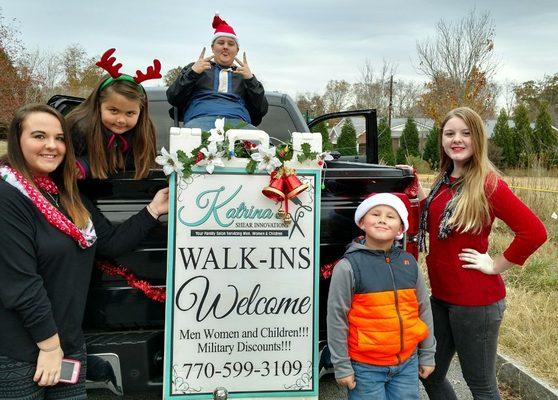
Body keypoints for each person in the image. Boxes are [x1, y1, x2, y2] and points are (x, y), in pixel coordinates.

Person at [0, 104, 168, 399]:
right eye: (39, 136)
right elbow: (20, 284)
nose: (52, 146)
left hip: (68, 347)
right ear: (17, 140)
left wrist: (153, 209)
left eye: (60, 138)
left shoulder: (65, 194)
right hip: (22, 352)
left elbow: (109, 244)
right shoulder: (9, 196)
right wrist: (50, 347)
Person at [411, 107, 548, 399]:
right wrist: (414, 188)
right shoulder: (445, 179)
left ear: (478, 139)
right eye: (450, 133)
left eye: (465, 133)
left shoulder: (488, 184)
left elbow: (535, 232)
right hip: (442, 298)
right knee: (429, 373)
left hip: (476, 304)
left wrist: (497, 264)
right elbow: (436, 219)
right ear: (442, 140)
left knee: (481, 386)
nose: (456, 139)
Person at [327, 192, 436, 400]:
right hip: (365, 368)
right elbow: (336, 319)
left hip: (407, 365)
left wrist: (428, 354)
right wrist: (342, 366)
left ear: (400, 229)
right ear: (361, 222)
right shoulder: (348, 266)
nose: (382, 219)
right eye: (375, 214)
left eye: (390, 216)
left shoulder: (409, 263)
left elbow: (424, 310)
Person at [67, 48, 160, 179]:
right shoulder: (80, 127)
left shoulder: (144, 130)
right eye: (114, 110)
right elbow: (59, 163)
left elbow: (142, 163)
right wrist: (82, 165)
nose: (121, 120)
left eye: (130, 113)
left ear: (141, 112)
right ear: (98, 105)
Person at [166, 13, 268, 132]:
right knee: (187, 139)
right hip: (199, 122)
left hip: (238, 125)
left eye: (231, 44)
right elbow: (173, 97)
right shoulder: (195, 68)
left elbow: (261, 110)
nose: (225, 47)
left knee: (264, 144)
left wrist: (250, 80)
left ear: (237, 50)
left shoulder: (244, 75)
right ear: (213, 48)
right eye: (221, 43)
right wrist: (193, 73)